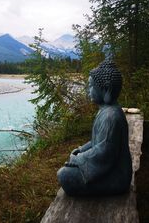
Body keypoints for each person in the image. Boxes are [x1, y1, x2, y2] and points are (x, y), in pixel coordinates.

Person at [57, 60, 132, 196]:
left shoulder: (111, 116)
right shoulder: (106, 111)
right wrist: (81, 150)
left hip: (117, 176)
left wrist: (79, 159)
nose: (88, 90)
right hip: (108, 169)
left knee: (64, 175)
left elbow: (104, 153)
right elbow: (96, 142)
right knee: (66, 169)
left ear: (106, 89)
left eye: (91, 86)